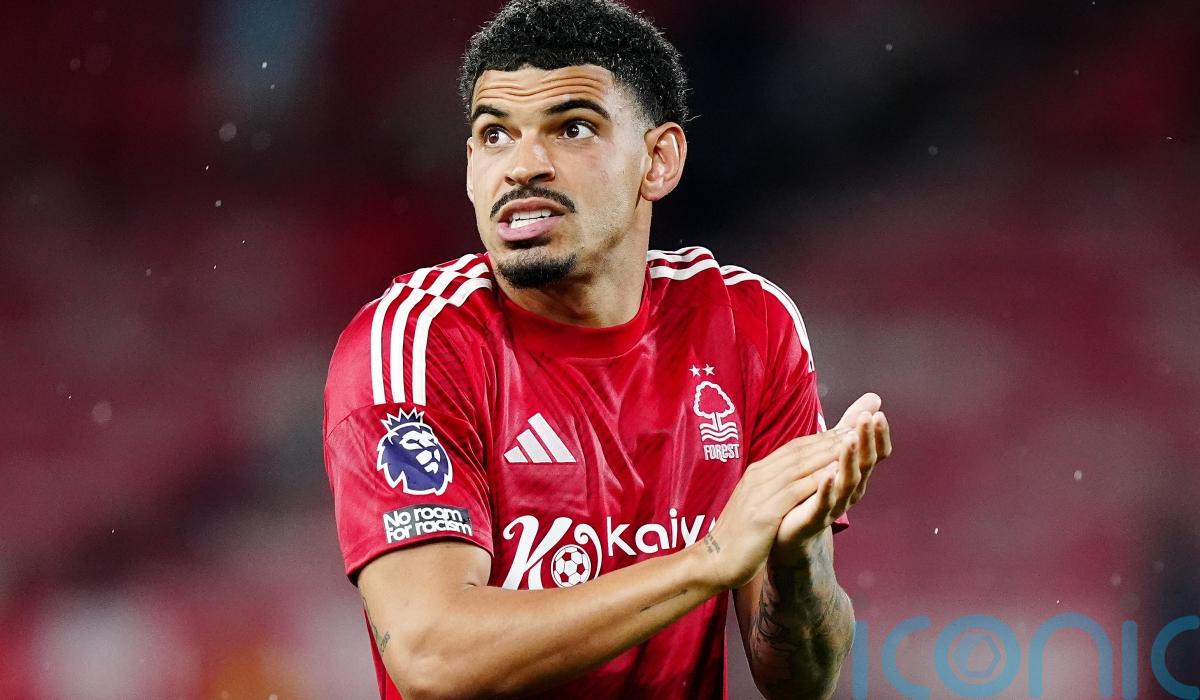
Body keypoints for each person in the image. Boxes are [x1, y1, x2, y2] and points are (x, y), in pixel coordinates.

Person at [322, 1, 892, 697]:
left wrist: (798, 560)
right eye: (495, 135)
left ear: (658, 160)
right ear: (471, 166)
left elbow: (801, 682)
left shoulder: (748, 325)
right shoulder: (416, 342)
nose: (523, 166)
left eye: (572, 128)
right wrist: (706, 560)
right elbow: (433, 658)